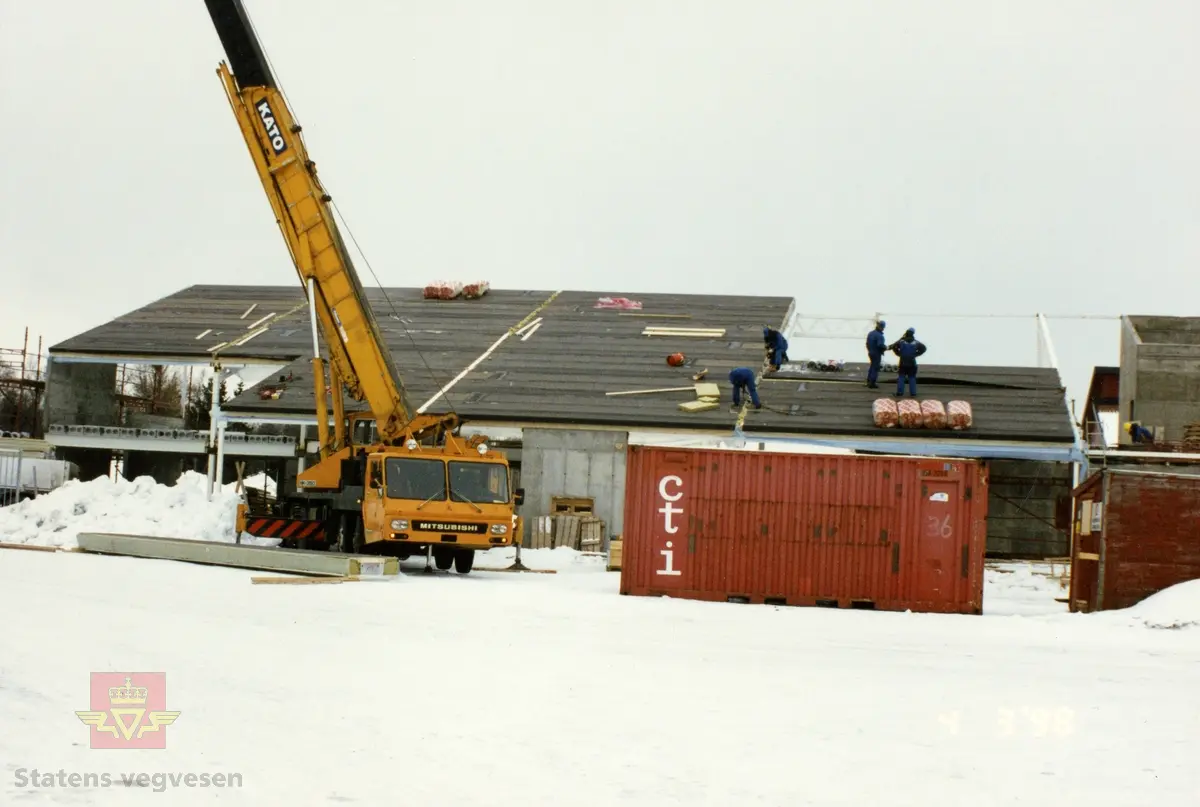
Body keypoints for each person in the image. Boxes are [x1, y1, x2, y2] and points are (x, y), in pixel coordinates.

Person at [889, 327, 926, 397]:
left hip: (903, 362)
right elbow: (924, 348)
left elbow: (894, 347)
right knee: (912, 377)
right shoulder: (916, 342)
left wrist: (898, 353)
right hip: (912, 362)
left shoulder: (901, 341)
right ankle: (913, 393)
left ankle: (900, 393)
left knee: (901, 377)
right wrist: (916, 354)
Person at [865, 320, 887, 389]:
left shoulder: (870, 333)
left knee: (872, 366)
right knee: (875, 367)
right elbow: (880, 345)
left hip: (870, 352)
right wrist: (885, 347)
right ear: (882, 327)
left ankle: (868, 381)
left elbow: (867, 344)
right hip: (876, 353)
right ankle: (872, 383)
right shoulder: (880, 336)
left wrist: (869, 350)